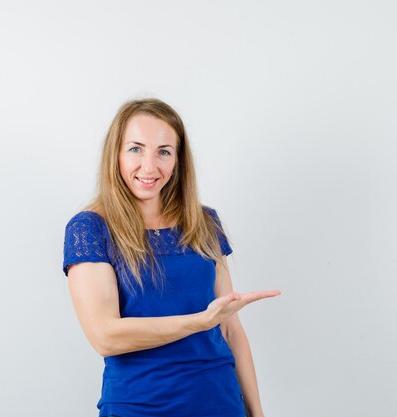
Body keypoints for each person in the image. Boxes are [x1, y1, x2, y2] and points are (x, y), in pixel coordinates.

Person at [62, 98, 281, 417]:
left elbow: (231, 330)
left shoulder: (203, 221)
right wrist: (200, 322)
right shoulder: (90, 228)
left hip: (220, 402)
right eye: (136, 149)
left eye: (163, 151)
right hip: (139, 407)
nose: (149, 167)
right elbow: (105, 337)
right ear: (116, 154)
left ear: (178, 160)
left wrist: (257, 414)